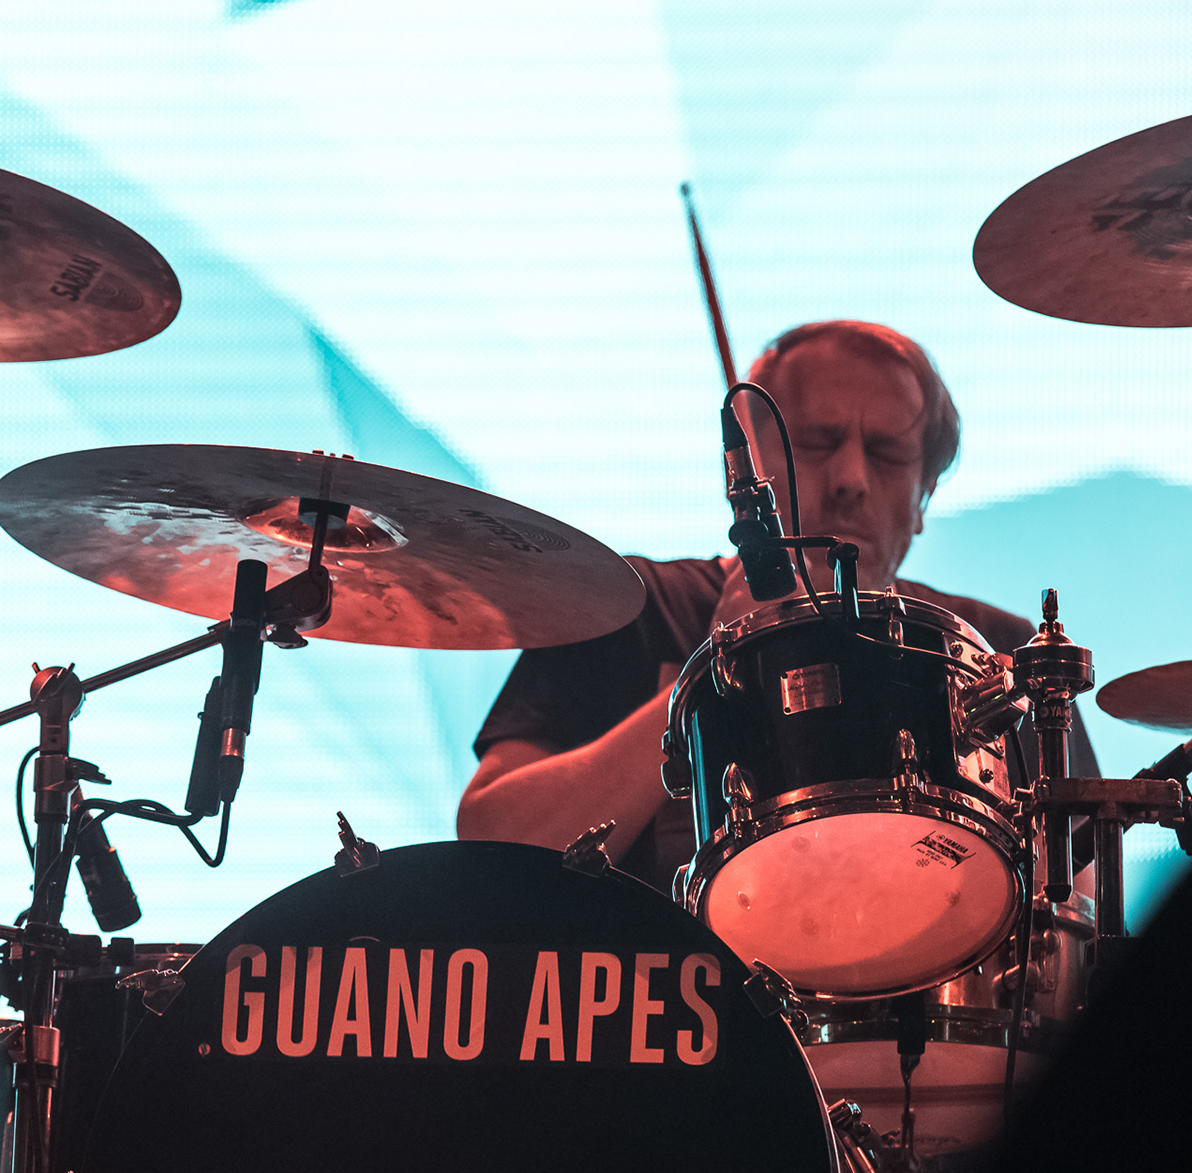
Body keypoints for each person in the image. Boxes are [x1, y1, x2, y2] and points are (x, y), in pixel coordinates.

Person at [458, 319, 1097, 885]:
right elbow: (494, 845)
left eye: (887, 454)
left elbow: (1081, 904)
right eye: (815, 443)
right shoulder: (631, 607)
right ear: (745, 470)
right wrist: (714, 669)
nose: (850, 479)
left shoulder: (996, 649)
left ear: (925, 495)